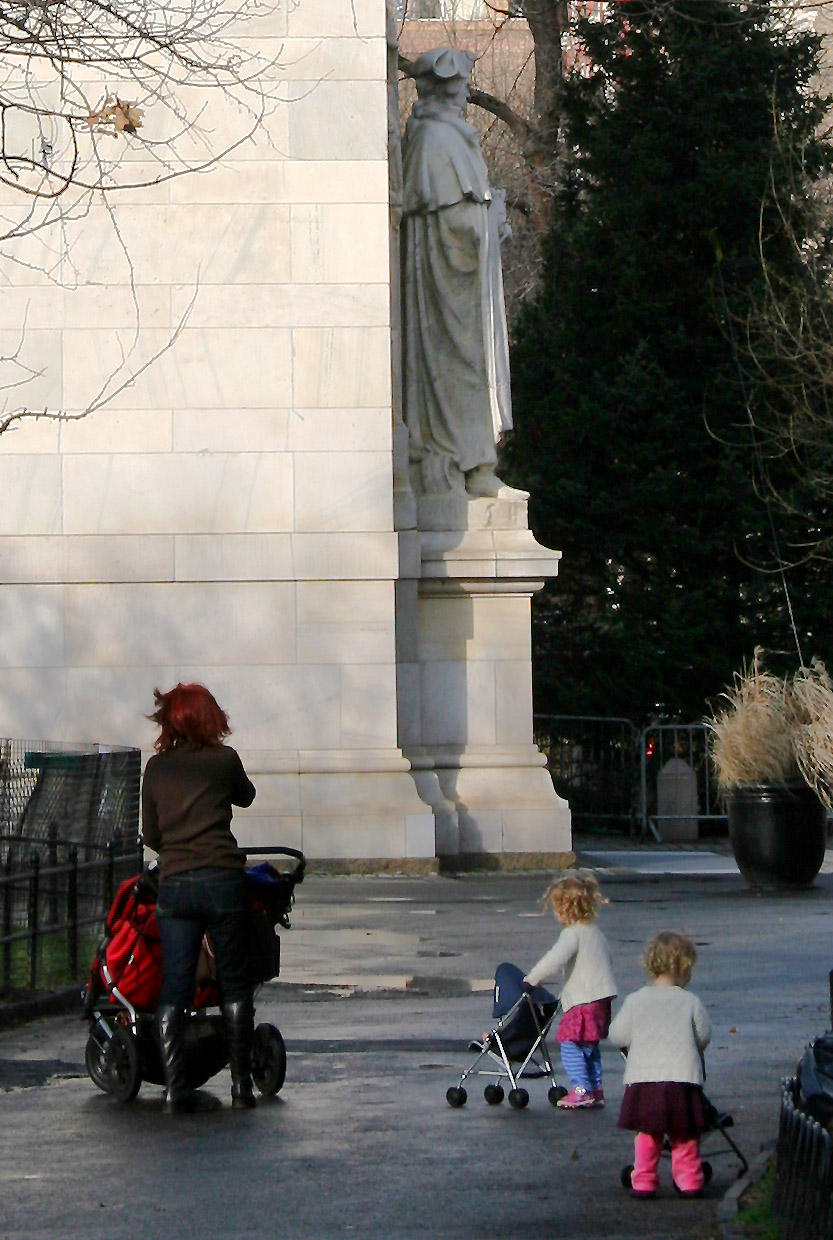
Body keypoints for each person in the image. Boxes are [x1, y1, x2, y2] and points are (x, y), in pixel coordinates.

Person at [401, 46, 523, 500]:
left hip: (461, 290)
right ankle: (466, 463)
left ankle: (474, 463)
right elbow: (452, 224)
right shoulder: (438, 141)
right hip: (449, 293)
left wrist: (490, 224)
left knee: (470, 366)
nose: (469, 91)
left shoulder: (449, 136)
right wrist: (487, 225)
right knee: (462, 368)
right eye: (464, 83)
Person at [141, 682, 257, 1113]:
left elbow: (151, 834)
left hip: (176, 883)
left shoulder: (156, 769)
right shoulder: (225, 762)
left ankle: (174, 1087)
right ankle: (241, 1085)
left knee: (176, 983)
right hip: (223, 879)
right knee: (234, 981)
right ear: (211, 719)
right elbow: (247, 796)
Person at [609, 931, 711, 1199]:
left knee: (648, 1134)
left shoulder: (636, 1000)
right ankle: (689, 1180)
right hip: (682, 1079)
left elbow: (617, 1035)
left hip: (646, 1079)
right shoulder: (690, 1002)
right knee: (684, 1134)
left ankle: (643, 1181)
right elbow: (703, 1036)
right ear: (684, 968)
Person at [523, 870, 617, 1109]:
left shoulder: (572, 934)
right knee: (589, 1045)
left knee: (570, 1044)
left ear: (565, 909)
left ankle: (581, 1088)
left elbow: (555, 959)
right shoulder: (596, 933)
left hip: (582, 1000)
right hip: (601, 1000)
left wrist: (533, 979)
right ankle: (595, 1088)